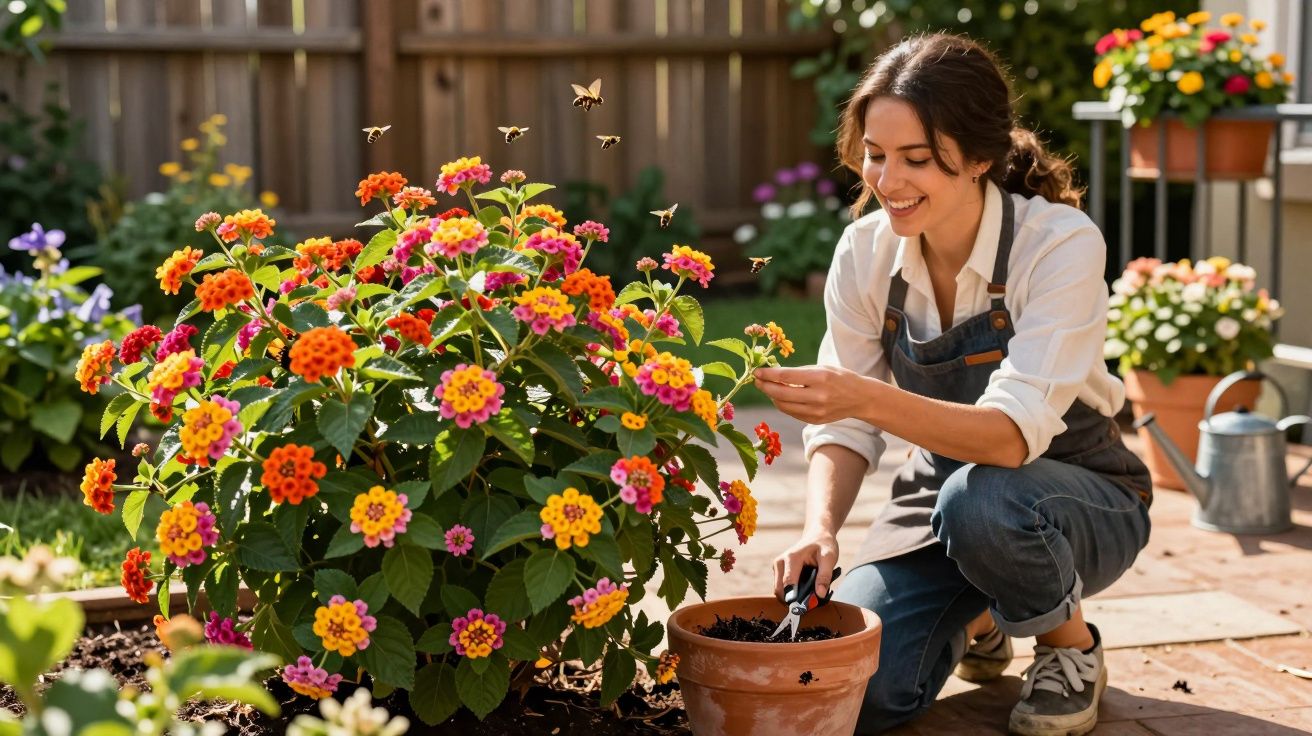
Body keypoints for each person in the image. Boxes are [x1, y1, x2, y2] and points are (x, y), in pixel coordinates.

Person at [752, 33, 1152, 736]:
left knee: (983, 502)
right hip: (943, 495)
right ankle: (985, 609)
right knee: (863, 696)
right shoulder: (866, 253)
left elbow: (1006, 438)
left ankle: (1069, 648)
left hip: (1078, 495)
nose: (887, 181)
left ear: (979, 158)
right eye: (876, 155)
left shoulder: (1058, 244)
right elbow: (844, 427)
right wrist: (820, 530)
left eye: (918, 160)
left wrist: (863, 396)